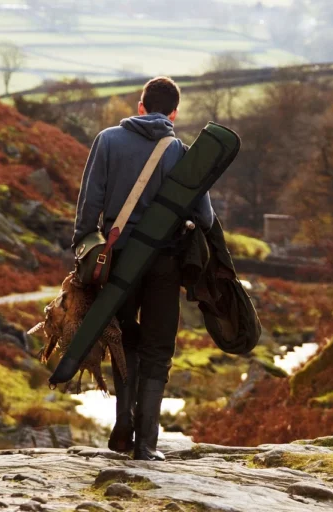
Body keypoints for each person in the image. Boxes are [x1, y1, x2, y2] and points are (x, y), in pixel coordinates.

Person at [72, 77, 214, 461]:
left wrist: (85, 251)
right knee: (157, 348)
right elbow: (204, 215)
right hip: (164, 262)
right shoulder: (181, 153)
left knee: (122, 339)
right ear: (174, 113)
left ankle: (123, 422)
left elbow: (89, 206)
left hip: (117, 259)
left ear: (139, 106)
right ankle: (147, 444)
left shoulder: (106, 140)